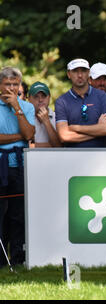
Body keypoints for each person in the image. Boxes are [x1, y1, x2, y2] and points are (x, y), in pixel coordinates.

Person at [0, 67, 35, 268]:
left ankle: (18, 257)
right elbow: (23, 135)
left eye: (15, 84)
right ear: (0, 86)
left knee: (18, 213)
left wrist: (17, 108)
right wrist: (19, 136)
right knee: (1, 212)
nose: (11, 88)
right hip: (1, 164)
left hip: (20, 166)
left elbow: (29, 134)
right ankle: (1, 258)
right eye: (7, 84)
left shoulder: (26, 107)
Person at [55, 59, 106, 148]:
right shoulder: (61, 101)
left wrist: (76, 128)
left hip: (100, 156)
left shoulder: (102, 96)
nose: (80, 75)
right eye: (75, 71)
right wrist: (98, 130)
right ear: (69, 74)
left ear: (88, 73)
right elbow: (64, 136)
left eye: (83, 71)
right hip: (73, 157)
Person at [28, 81, 62, 147]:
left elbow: (59, 146)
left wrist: (47, 122)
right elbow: (25, 146)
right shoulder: (25, 118)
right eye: (36, 96)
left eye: (44, 96)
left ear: (49, 97)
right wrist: (49, 146)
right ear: (29, 99)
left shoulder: (59, 117)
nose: (40, 100)